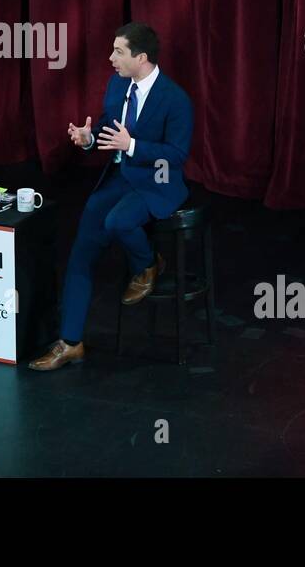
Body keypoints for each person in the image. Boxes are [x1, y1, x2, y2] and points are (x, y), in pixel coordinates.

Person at [29, 22, 193, 370]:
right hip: (120, 177)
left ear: (142, 57)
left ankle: (147, 262)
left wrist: (132, 145)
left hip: (156, 179)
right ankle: (70, 342)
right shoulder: (119, 84)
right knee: (80, 254)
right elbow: (108, 127)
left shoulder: (175, 99)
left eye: (119, 51)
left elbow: (176, 156)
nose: (111, 58)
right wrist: (89, 138)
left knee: (118, 221)